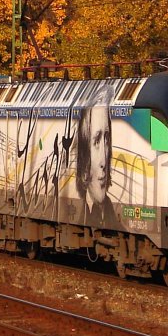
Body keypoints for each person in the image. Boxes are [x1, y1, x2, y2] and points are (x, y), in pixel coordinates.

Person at [74, 84, 120, 228]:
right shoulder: (78, 217)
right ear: (83, 156)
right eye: (96, 141)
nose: (103, 161)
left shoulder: (118, 223)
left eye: (107, 139)